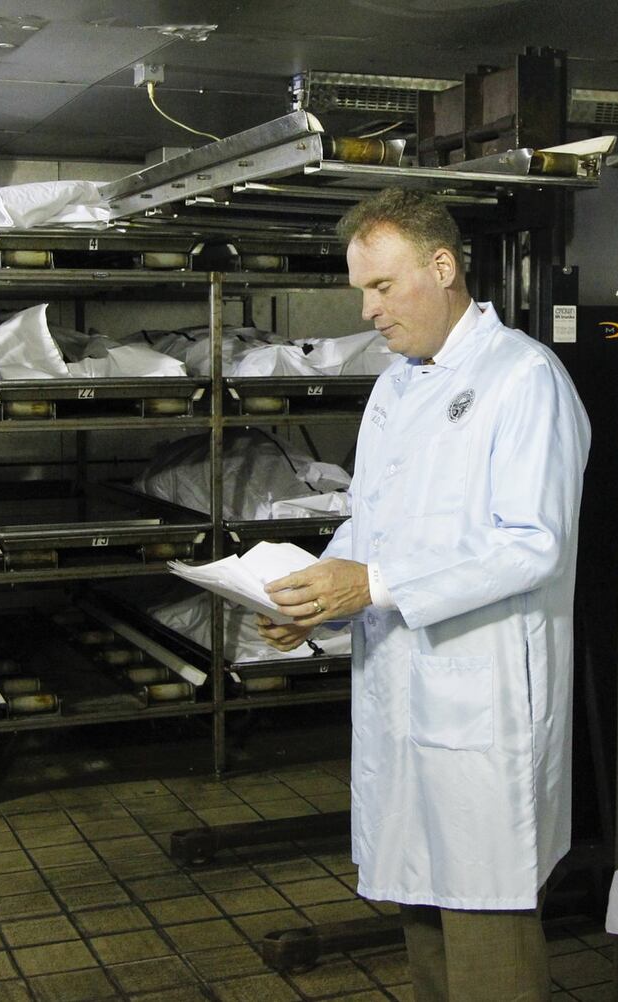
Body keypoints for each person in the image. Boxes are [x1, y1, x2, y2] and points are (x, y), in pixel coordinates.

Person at [257, 188, 590, 1002]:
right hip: (403, 692)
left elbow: (531, 544)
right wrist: (309, 597)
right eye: (360, 291)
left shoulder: (524, 378)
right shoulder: (397, 387)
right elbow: (367, 526)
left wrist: (370, 585)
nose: (368, 311)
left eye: (382, 287)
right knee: (424, 917)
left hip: (482, 704)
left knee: (488, 930)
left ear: (442, 267)